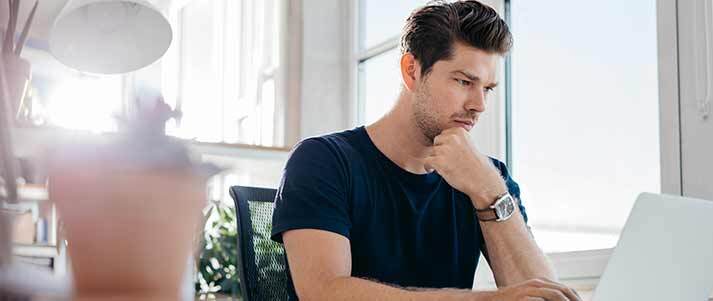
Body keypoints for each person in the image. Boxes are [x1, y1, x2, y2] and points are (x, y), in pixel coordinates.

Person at [271, 1, 582, 300]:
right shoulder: (323, 161)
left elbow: (545, 295)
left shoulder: (487, 176)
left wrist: (489, 192)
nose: (479, 105)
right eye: (463, 82)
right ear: (412, 70)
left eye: (487, 88)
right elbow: (324, 292)